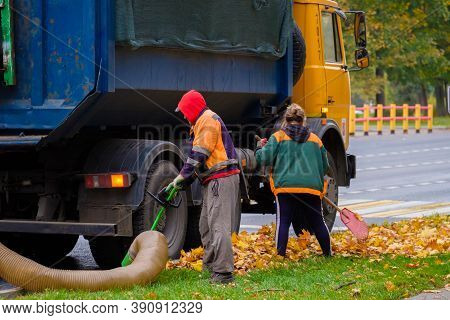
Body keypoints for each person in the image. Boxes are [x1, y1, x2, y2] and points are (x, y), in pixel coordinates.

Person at [166, 90, 240, 284]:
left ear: (192, 108)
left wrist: (181, 176)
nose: (182, 115)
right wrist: (185, 181)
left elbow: (200, 154)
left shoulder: (207, 120)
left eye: (183, 110)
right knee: (205, 226)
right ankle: (211, 268)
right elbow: (202, 159)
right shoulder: (202, 122)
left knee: (218, 227)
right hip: (214, 180)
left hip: (221, 179)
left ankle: (224, 274)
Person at [255, 104, 332, 257]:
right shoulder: (316, 140)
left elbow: (264, 158)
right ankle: (328, 254)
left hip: (285, 188)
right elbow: (325, 167)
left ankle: (280, 256)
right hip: (311, 189)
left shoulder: (278, 137)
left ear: (286, 120)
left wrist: (259, 148)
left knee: (283, 222)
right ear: (303, 120)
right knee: (318, 222)